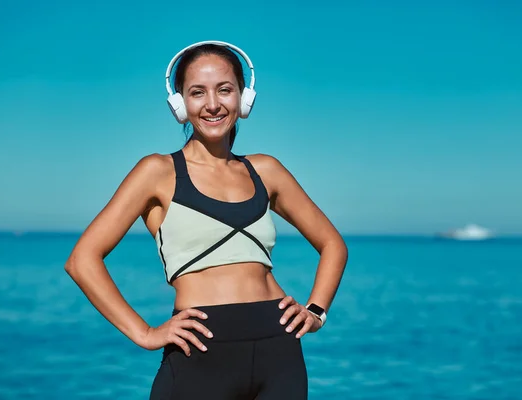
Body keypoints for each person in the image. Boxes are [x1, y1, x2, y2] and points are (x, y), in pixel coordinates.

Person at [64, 41, 348, 400]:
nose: (212, 104)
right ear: (180, 104)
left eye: (225, 90)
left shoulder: (267, 170)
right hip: (198, 355)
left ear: (244, 98)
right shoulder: (156, 172)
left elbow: (333, 244)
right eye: (198, 92)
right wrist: (146, 333)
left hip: (281, 354)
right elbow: (82, 260)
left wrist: (316, 311)